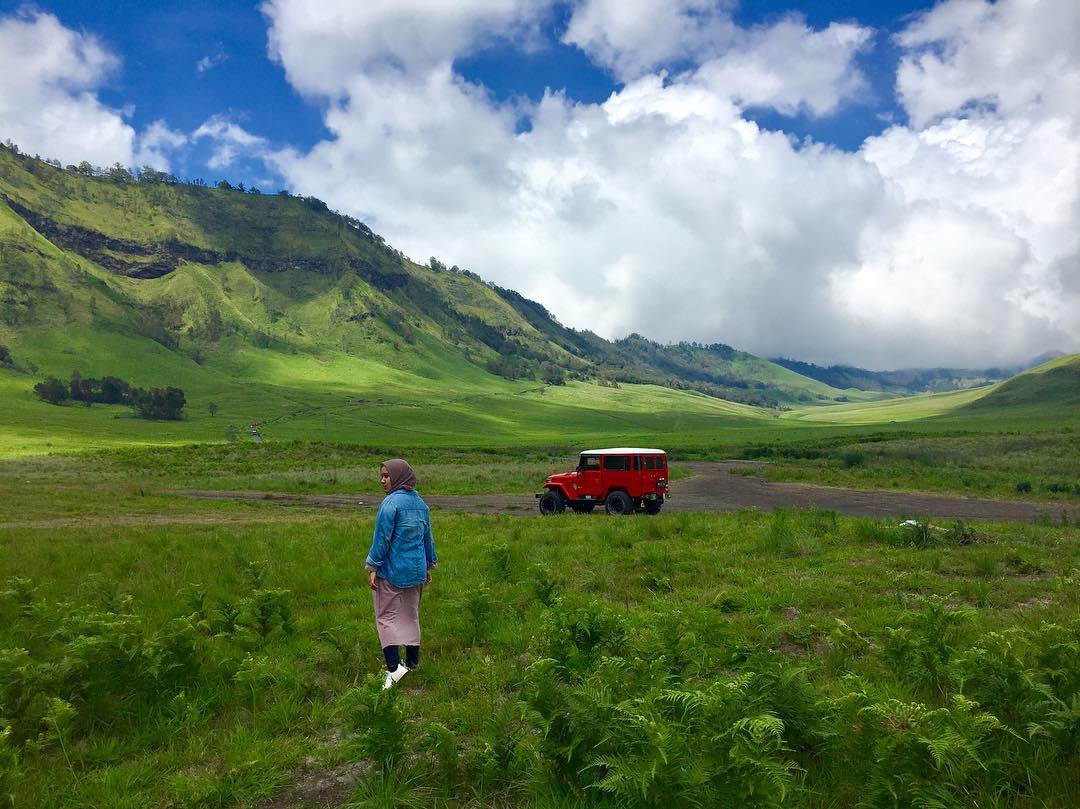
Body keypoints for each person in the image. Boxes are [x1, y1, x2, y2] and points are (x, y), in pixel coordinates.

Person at [365, 459, 437, 689]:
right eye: (382, 476)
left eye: (386, 476)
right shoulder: (421, 504)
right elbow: (427, 539)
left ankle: (394, 669)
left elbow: (382, 539)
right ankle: (413, 662)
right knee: (410, 615)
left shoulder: (390, 504)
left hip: (393, 571)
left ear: (398, 477)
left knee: (386, 618)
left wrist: (373, 567)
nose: (383, 480)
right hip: (415, 571)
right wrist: (428, 565)